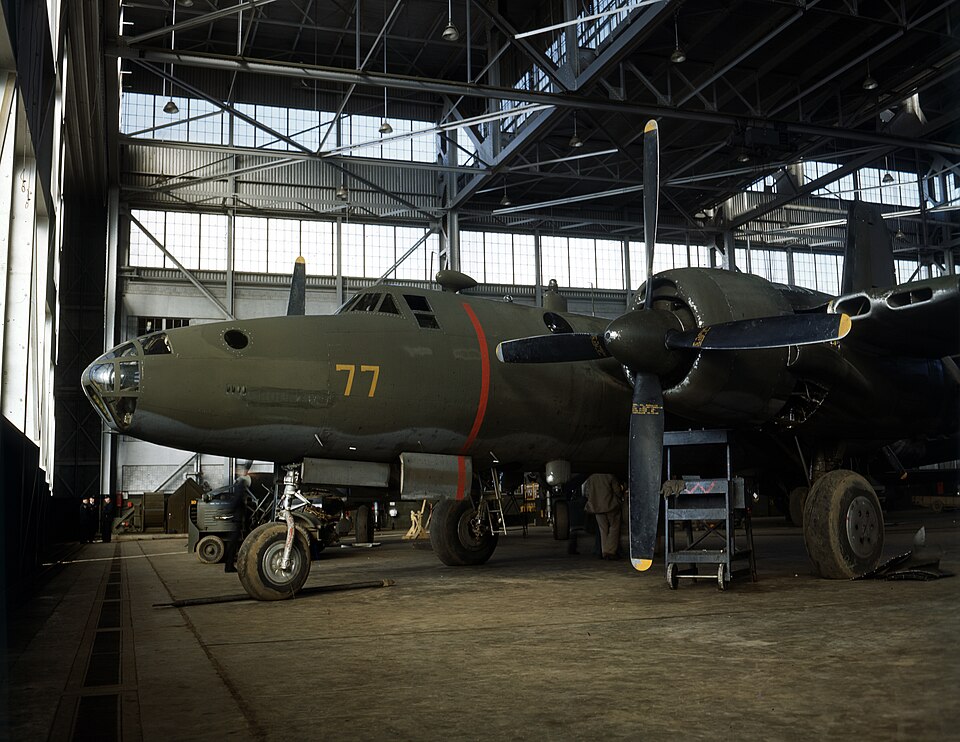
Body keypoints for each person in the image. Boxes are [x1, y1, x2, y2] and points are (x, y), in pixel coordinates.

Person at [583, 472, 623, 560]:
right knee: (614, 528)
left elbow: (586, 492)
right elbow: (617, 491)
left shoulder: (591, 477)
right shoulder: (610, 476)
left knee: (603, 530)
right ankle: (610, 551)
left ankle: (604, 551)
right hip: (611, 506)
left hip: (597, 507)